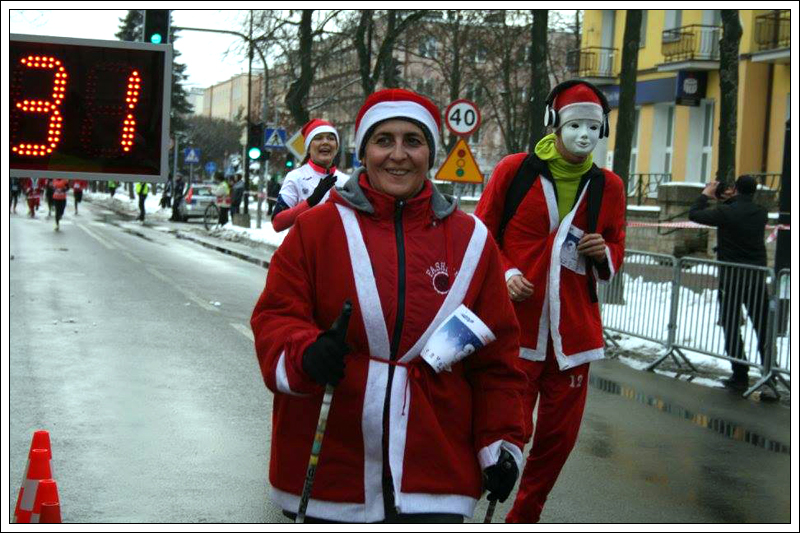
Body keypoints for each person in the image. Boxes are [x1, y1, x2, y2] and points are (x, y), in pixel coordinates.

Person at [251, 89, 527, 524]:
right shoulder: (316, 229)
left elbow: (498, 361)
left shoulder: (472, 241)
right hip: (332, 468)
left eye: (413, 141)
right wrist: (307, 353)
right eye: (384, 140)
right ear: (363, 152)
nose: (398, 155)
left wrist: (501, 442)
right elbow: (275, 317)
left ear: (430, 153)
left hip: (435, 469)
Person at [474, 80, 626, 524]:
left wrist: (604, 252)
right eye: (575, 125)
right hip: (516, 331)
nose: (584, 135)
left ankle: (524, 517)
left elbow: (617, 243)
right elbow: (481, 234)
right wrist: (506, 273)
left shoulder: (609, 186)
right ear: (554, 125)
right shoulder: (515, 170)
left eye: (593, 127)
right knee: (509, 433)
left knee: (557, 441)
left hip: (573, 337)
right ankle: (472, 506)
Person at [688, 175, 770, 392]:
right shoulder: (761, 212)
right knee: (762, 326)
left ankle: (740, 374)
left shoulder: (726, 212)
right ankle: (769, 374)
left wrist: (706, 195)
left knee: (731, 325)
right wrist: (730, 200)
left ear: (735, 189)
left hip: (732, 278)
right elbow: (739, 211)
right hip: (756, 278)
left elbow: (695, 214)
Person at [271, 119, 349, 231]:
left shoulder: (347, 181)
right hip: (303, 242)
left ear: (336, 147)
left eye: (331, 138)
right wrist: (311, 201)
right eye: (318, 138)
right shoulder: (296, 177)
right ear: (308, 148)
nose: (325, 142)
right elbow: (277, 223)